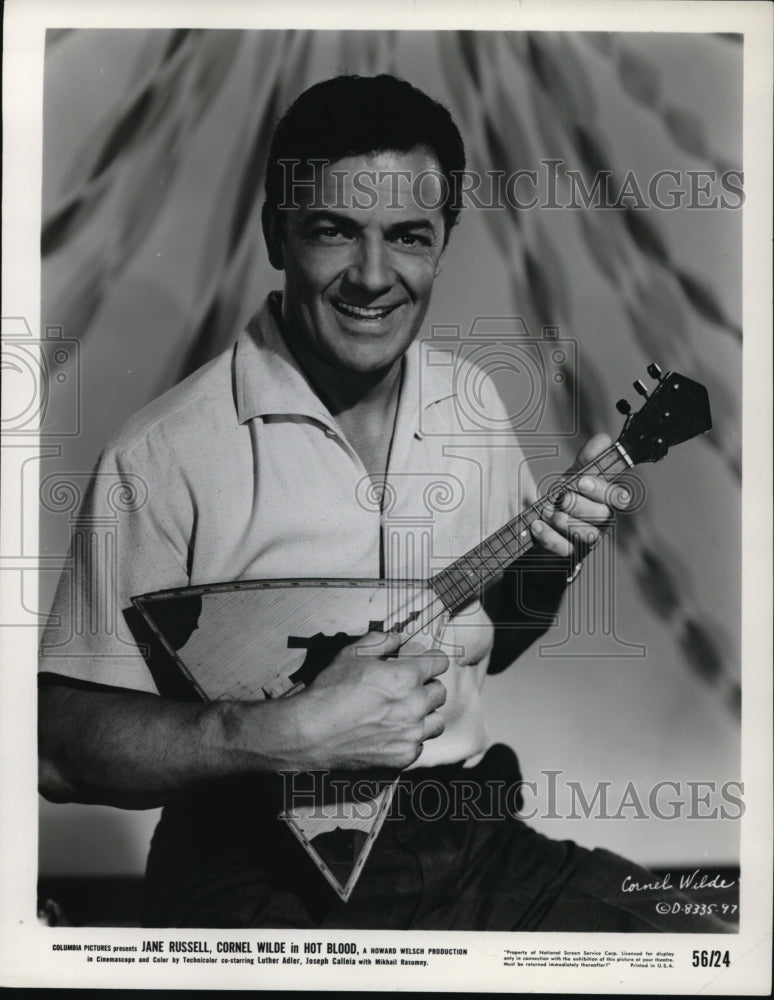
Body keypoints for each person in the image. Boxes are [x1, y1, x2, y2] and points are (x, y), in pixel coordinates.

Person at [38, 74, 724, 932]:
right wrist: (279, 736)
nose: (372, 276)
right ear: (276, 234)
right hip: (256, 875)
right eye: (334, 231)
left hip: (473, 844)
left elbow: (496, 645)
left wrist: (553, 556)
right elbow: (57, 750)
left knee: (695, 943)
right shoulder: (163, 455)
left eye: (407, 236)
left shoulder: (472, 402)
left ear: (442, 243)